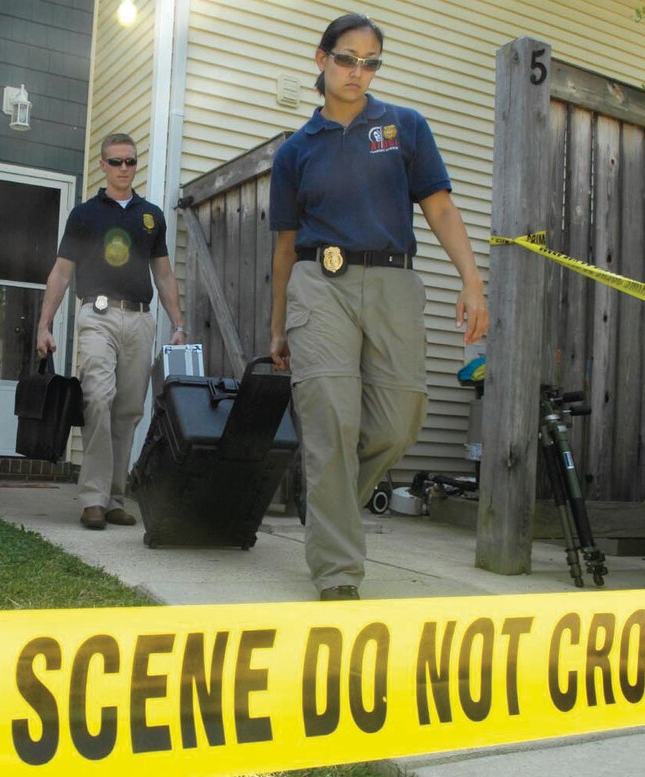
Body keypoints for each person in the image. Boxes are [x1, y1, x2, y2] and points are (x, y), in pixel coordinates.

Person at [268, 14, 489, 600]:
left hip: (394, 282)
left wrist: (472, 282)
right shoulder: (295, 152)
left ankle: (327, 495)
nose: (357, 72)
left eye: (370, 63)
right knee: (332, 423)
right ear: (321, 60)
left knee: (399, 420)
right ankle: (338, 572)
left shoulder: (405, 127)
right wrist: (278, 327)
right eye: (346, 59)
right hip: (320, 284)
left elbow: (440, 208)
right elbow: (285, 247)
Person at [37, 133, 185, 530]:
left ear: (136, 164)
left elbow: (164, 274)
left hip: (140, 319)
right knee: (98, 399)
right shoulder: (84, 215)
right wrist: (44, 324)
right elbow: (61, 272)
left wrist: (178, 323)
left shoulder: (150, 215)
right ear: (102, 165)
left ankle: (114, 498)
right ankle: (92, 499)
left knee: (128, 411)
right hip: (97, 317)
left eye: (130, 161)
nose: (124, 168)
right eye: (116, 161)